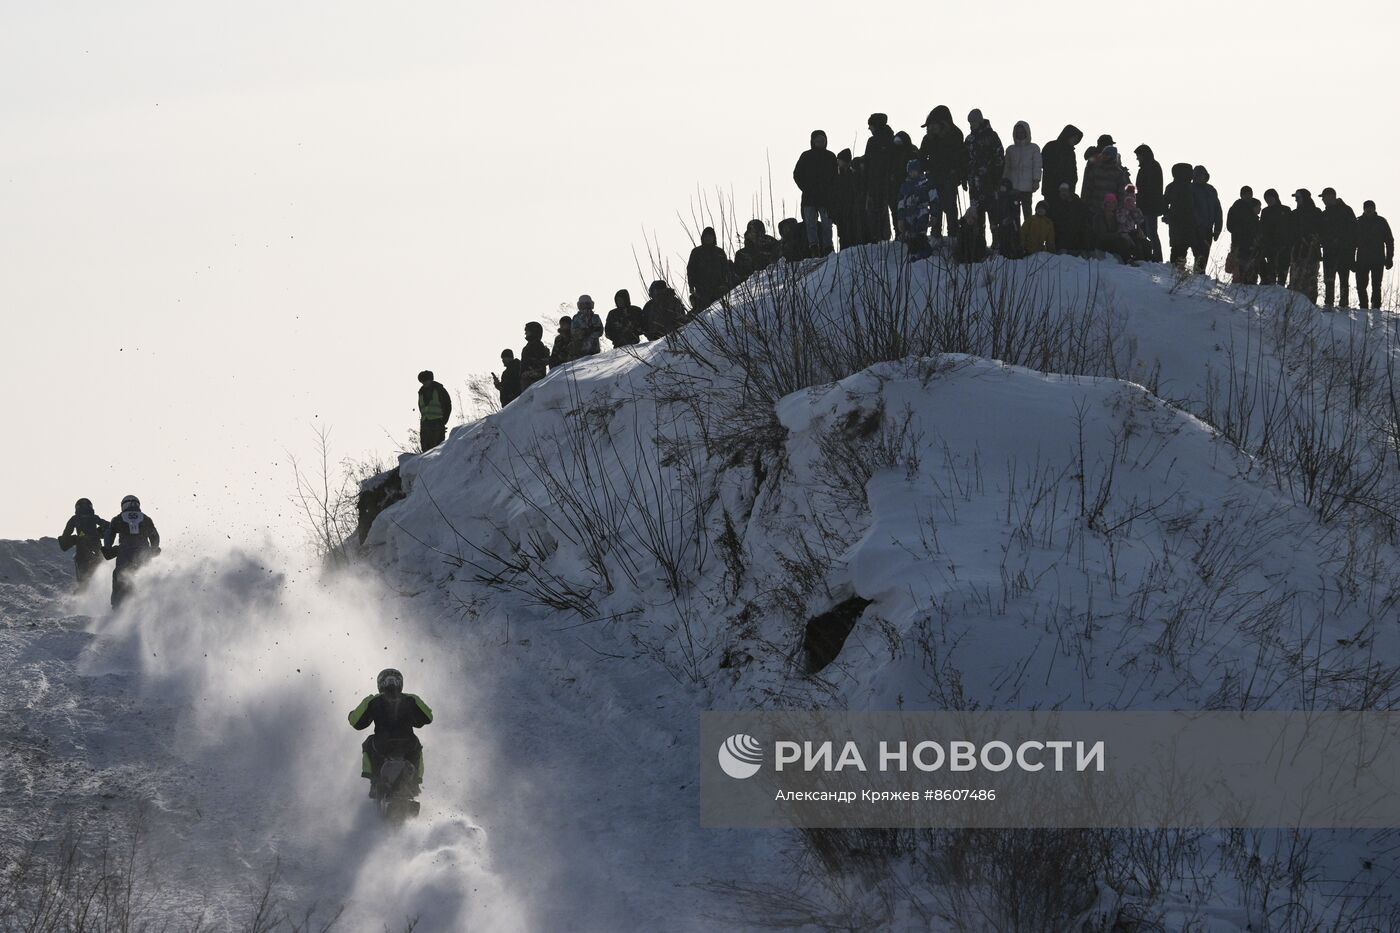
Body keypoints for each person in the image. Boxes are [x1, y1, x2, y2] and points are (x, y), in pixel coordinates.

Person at [349, 668, 433, 800]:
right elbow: (428, 717)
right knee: (417, 746)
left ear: (380, 684)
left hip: (382, 744)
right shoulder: (411, 699)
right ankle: (415, 782)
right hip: (408, 743)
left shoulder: (372, 700)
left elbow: (356, 722)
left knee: (368, 743)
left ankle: (375, 781)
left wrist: (351, 715)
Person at [102, 495, 159, 608]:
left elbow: (109, 536)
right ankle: (152, 603)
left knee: (118, 575)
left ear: (124, 505)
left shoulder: (118, 518)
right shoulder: (146, 518)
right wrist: (154, 549)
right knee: (147, 576)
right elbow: (155, 536)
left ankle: (116, 606)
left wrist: (108, 548)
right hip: (144, 553)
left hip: (125, 553)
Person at [918, 105, 967, 237]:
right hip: (934, 178)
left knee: (950, 207)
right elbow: (921, 157)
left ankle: (953, 234)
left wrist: (960, 175)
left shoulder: (955, 135)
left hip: (949, 177)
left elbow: (960, 157)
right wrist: (926, 168)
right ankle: (935, 234)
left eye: (933, 125)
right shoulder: (929, 138)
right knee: (935, 207)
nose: (931, 128)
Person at [793, 130, 837, 255]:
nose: (820, 143)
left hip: (826, 198)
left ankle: (828, 247)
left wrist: (831, 191)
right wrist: (805, 188)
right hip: (809, 197)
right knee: (810, 224)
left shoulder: (830, 156)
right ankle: (814, 248)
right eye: (817, 140)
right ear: (813, 141)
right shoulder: (806, 156)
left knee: (827, 225)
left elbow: (835, 176)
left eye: (822, 140)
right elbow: (797, 174)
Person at [964, 110, 1005, 233]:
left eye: (973, 121)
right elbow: (964, 159)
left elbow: (999, 157)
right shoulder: (969, 139)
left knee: (994, 213)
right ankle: (979, 243)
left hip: (990, 183)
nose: (971, 124)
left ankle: (997, 243)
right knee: (976, 214)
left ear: (980, 120)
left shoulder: (992, 136)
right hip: (974, 184)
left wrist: (996, 178)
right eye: (970, 122)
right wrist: (966, 177)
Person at [1319, 187, 1359, 308]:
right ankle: (1329, 302)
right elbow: (1321, 233)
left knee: (1343, 279)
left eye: (1324, 197)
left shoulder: (1346, 211)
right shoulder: (1325, 213)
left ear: (1331, 197)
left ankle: (1343, 304)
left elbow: (1354, 232)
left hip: (1344, 252)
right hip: (1329, 252)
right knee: (1329, 279)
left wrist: (1350, 250)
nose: (1323, 201)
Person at [58, 498, 110, 586]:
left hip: (82, 549)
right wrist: (99, 533)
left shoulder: (75, 518)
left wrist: (74, 539)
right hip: (96, 547)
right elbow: (108, 526)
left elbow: (66, 534)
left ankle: (83, 590)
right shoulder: (94, 517)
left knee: (82, 577)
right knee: (100, 567)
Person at [1355, 200, 1395, 310]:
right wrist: (1351, 260)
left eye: (1371, 208)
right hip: (1362, 259)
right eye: (1367, 208)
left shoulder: (1381, 222)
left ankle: (1376, 307)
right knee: (1361, 285)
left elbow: (1389, 241)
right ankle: (1363, 306)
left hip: (1378, 259)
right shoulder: (1358, 222)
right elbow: (1352, 242)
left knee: (1376, 285)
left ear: (1374, 209)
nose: (1369, 210)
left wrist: (1389, 258)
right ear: (1364, 209)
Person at [896, 159, 939, 260]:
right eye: (910, 171)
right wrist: (900, 218)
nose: (912, 173)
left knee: (920, 234)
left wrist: (934, 214)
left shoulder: (926, 183)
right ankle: (914, 253)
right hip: (908, 214)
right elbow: (901, 203)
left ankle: (925, 252)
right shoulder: (905, 185)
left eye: (914, 171)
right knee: (911, 236)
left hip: (922, 211)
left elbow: (934, 198)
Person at [863, 113, 896, 240]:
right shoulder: (892, 138)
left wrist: (867, 182)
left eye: (870, 126)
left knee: (876, 213)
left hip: (876, 183)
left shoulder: (872, 141)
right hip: (889, 181)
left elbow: (868, 163)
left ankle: (879, 238)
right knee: (891, 210)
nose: (869, 129)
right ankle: (893, 235)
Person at [1002, 121, 1042, 226]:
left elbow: (1037, 165)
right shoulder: (1010, 150)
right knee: (1014, 214)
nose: (1020, 134)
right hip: (1013, 186)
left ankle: (1028, 236)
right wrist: (1004, 182)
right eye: (1018, 132)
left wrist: (1036, 180)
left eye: (1022, 132)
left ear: (1027, 133)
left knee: (1027, 212)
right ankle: (1015, 236)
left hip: (1027, 187)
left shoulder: (1034, 148)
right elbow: (1006, 167)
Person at [686, 227, 734, 311]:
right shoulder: (696, 252)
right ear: (702, 238)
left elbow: (726, 270)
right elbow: (690, 270)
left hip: (718, 289)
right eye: (706, 236)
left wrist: (727, 284)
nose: (708, 238)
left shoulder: (720, 252)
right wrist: (691, 286)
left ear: (714, 238)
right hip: (701, 290)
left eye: (710, 236)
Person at [1289, 189, 1324, 302]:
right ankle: (1296, 303)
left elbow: (1321, 230)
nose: (1296, 200)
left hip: (1311, 252)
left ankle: (1310, 304)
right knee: (1296, 280)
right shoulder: (1294, 214)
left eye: (1298, 198)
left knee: (1310, 280)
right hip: (1297, 252)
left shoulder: (1316, 213)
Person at [1132, 144, 1165, 261]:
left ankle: (1156, 257)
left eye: (1138, 155)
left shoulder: (1151, 167)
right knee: (1145, 232)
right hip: (1146, 206)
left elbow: (1149, 189)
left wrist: (1140, 199)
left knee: (1151, 233)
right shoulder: (1149, 167)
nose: (1137, 158)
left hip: (1149, 207)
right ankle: (1147, 255)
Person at [1040, 125, 1084, 213]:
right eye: (1074, 137)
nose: (1075, 140)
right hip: (1051, 189)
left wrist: (1069, 186)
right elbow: (1044, 165)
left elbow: (1073, 172)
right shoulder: (1050, 146)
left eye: (1077, 139)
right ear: (1068, 135)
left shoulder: (1071, 153)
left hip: (1066, 192)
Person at [1190, 166, 1224, 274]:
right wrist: (1197, 223)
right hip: (1195, 228)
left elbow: (1217, 210)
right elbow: (1190, 208)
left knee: (1204, 254)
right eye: (1198, 175)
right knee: (1198, 254)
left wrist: (1218, 228)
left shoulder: (1211, 190)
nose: (1200, 177)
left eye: (1202, 175)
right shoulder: (1190, 189)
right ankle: (1196, 276)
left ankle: (1200, 276)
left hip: (1209, 229)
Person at [1258, 189, 1294, 286]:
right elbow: (1263, 228)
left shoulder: (1286, 210)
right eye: (1266, 199)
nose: (1268, 201)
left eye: (1270, 198)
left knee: (1283, 271)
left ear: (1275, 197)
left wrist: (1289, 243)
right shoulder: (1265, 211)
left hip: (1285, 245)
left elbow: (1291, 228)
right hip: (1270, 246)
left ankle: (1281, 288)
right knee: (1271, 271)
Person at [1225, 187, 1262, 284]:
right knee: (1240, 266)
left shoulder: (1252, 208)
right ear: (1241, 195)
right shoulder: (1236, 208)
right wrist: (1240, 232)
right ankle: (1240, 284)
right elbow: (1230, 226)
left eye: (1250, 194)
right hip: (1239, 242)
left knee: (1248, 267)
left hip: (1249, 243)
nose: (1248, 196)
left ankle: (1246, 284)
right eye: (1246, 194)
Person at [1082, 146, 1128, 219]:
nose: (1103, 156)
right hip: (1095, 208)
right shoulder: (1095, 169)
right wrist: (1087, 204)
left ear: (1111, 156)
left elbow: (1121, 193)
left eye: (1106, 154)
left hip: (1110, 210)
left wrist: (1119, 208)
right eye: (1103, 154)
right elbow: (1088, 188)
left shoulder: (1118, 173)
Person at [1048, 183, 1089, 255]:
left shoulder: (1077, 203)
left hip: (1075, 235)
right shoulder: (1054, 205)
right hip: (1060, 235)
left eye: (1065, 191)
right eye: (1062, 191)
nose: (1064, 193)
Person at [416, 370, 451, 452]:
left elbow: (448, 405)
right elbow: (421, 408)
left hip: (437, 423)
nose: (424, 383)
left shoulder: (439, 390)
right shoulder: (421, 392)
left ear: (431, 380)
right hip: (425, 424)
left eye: (426, 380)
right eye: (422, 381)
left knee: (437, 450)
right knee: (426, 451)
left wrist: (443, 421)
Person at [520, 322, 550, 389]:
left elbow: (542, 363)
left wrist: (531, 372)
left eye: (527, 331)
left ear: (533, 332)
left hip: (535, 381)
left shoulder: (538, 346)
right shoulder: (527, 347)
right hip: (526, 381)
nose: (525, 333)